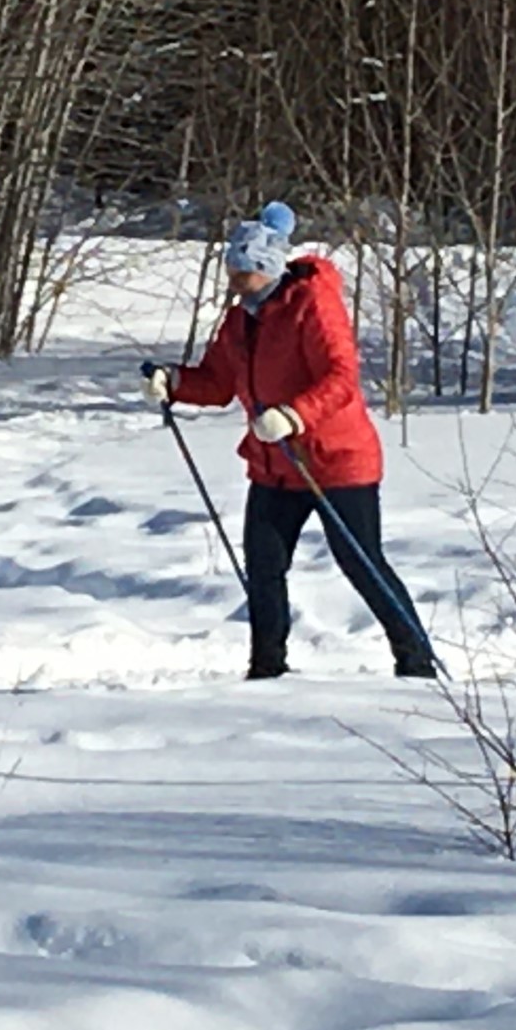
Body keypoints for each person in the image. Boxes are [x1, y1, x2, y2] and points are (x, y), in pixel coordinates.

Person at [140, 201, 436, 680]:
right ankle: (267, 669)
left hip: (335, 459)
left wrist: (293, 415)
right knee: (264, 564)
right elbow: (218, 383)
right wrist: (172, 381)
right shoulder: (241, 320)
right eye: (232, 272)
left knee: (360, 561)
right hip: (274, 464)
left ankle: (416, 660)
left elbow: (342, 377)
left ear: (268, 268)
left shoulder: (312, 304)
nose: (235, 283)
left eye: (243, 273)